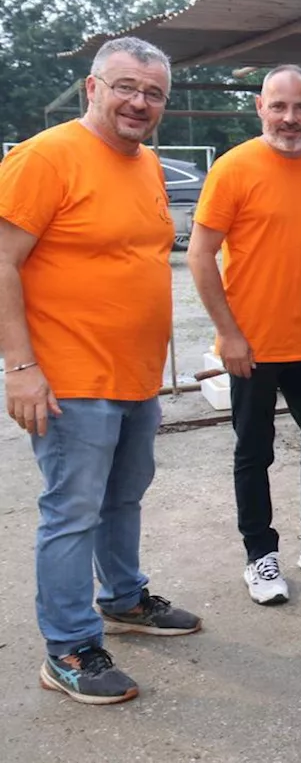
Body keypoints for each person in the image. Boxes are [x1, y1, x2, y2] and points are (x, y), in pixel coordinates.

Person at [0, 36, 202, 705]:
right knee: (72, 511)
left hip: (135, 375)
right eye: (126, 87)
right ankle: (69, 646)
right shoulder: (47, 156)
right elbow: (2, 262)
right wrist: (21, 366)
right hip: (69, 379)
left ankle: (123, 598)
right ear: (93, 88)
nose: (139, 102)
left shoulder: (146, 166)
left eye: (153, 93)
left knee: (123, 497)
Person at [187, 64, 301, 607]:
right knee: (254, 453)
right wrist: (227, 334)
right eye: (279, 106)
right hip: (251, 347)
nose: (289, 118)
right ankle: (260, 555)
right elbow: (200, 254)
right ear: (260, 107)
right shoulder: (234, 169)